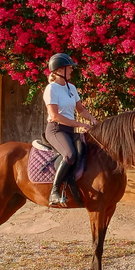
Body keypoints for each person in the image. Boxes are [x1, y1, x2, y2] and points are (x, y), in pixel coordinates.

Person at [43, 53, 98, 206]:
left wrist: (91, 119)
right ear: (60, 70)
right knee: (70, 154)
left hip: (69, 131)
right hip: (56, 130)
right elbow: (54, 116)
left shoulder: (71, 87)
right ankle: (54, 191)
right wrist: (80, 125)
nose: (72, 70)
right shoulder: (51, 89)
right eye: (69, 68)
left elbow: (80, 109)